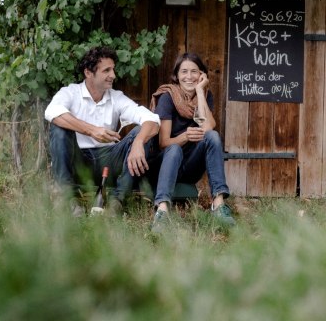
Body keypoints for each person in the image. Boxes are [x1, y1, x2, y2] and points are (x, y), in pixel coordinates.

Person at [45, 46, 160, 216]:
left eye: (113, 69)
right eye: (107, 70)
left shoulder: (116, 97)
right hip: (78, 161)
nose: (113, 75)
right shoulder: (70, 92)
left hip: (108, 162)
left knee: (141, 132)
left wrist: (138, 141)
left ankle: (117, 202)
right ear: (89, 73)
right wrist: (91, 131)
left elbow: (153, 120)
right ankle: (68, 199)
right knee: (59, 126)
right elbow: (51, 112)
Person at [149, 52, 235, 231]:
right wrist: (185, 137)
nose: (189, 77)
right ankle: (162, 211)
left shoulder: (203, 95)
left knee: (212, 136)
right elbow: (163, 143)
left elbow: (209, 126)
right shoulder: (168, 98)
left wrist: (200, 92)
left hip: (189, 166)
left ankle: (218, 205)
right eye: (184, 72)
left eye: (194, 72)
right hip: (166, 164)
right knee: (174, 149)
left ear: (201, 75)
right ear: (177, 76)